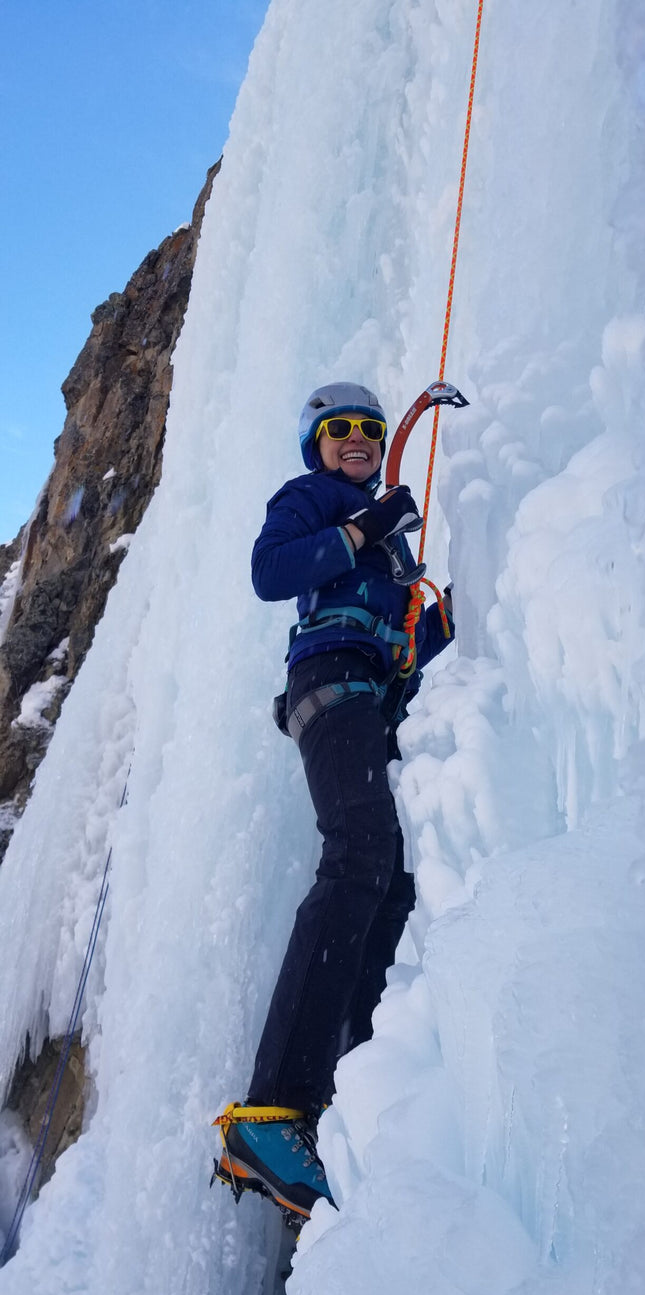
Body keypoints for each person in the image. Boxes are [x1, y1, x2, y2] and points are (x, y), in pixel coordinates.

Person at [214, 382, 454, 1223]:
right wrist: (362, 527)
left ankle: (348, 1087)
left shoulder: (387, 533)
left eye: (370, 430)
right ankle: (273, 1107)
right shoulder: (315, 500)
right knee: (357, 855)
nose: (357, 438)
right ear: (317, 444)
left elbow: (400, 640)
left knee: (388, 879)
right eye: (340, 429)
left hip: (367, 693)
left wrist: (441, 622)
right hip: (330, 686)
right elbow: (269, 570)